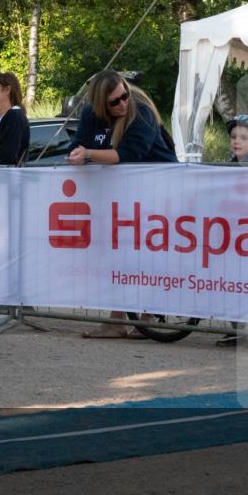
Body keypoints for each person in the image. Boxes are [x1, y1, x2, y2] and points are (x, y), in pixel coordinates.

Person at [68, 71, 178, 339]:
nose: (123, 104)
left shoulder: (141, 112)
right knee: (116, 254)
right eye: (115, 102)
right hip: (121, 196)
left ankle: (149, 317)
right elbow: (76, 144)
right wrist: (75, 154)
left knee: (150, 255)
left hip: (159, 191)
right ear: (100, 104)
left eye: (125, 96)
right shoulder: (89, 116)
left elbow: (128, 154)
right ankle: (116, 320)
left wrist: (90, 154)